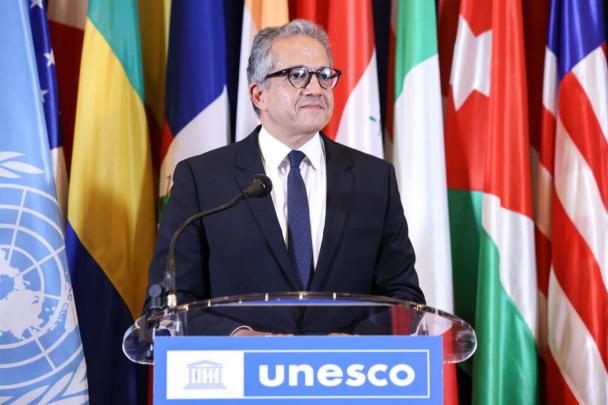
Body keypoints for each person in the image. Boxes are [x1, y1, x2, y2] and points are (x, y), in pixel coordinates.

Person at [142, 19, 425, 335]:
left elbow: (404, 298)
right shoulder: (202, 179)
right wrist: (239, 338)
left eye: (324, 75)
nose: (316, 88)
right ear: (259, 95)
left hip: (347, 366)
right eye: (298, 75)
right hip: (239, 365)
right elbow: (170, 304)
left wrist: (355, 341)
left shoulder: (374, 178)